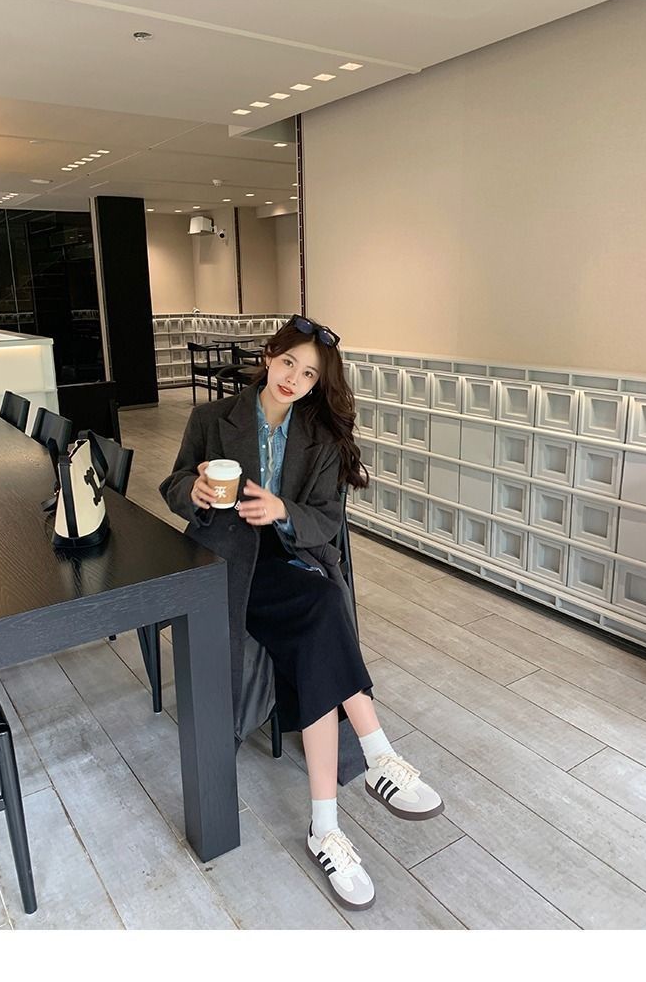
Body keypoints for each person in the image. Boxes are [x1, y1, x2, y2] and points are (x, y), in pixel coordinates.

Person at [160, 314, 444, 911]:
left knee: (319, 612)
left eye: (310, 374)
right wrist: (195, 492)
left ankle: (327, 823)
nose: (294, 378)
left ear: (318, 384)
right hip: (226, 566)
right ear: (270, 356)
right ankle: (376, 757)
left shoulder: (319, 438)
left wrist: (283, 511)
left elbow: (327, 520)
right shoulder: (213, 419)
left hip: (287, 564)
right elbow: (174, 483)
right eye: (288, 362)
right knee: (323, 608)